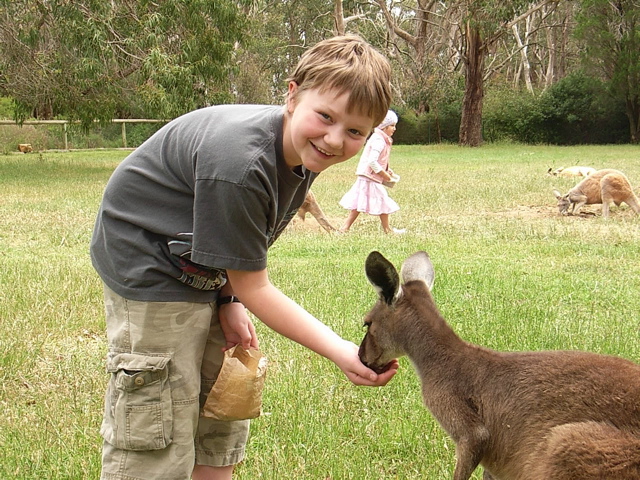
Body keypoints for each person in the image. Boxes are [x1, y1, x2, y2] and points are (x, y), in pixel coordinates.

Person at [90, 34, 399, 480]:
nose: (334, 140)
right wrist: (342, 352)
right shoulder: (241, 162)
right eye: (326, 117)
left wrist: (228, 301)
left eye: (354, 131)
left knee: (224, 394)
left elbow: (242, 242)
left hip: (203, 264)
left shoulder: (301, 153)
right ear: (292, 96)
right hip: (148, 258)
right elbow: (258, 286)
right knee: (157, 410)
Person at [338, 110, 403, 234]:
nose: (394, 129)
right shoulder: (379, 141)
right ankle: (387, 230)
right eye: (392, 126)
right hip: (369, 177)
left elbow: (380, 160)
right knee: (382, 200)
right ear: (384, 127)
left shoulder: (381, 139)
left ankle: (345, 228)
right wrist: (383, 174)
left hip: (369, 176)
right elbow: (372, 161)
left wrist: (388, 170)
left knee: (359, 203)